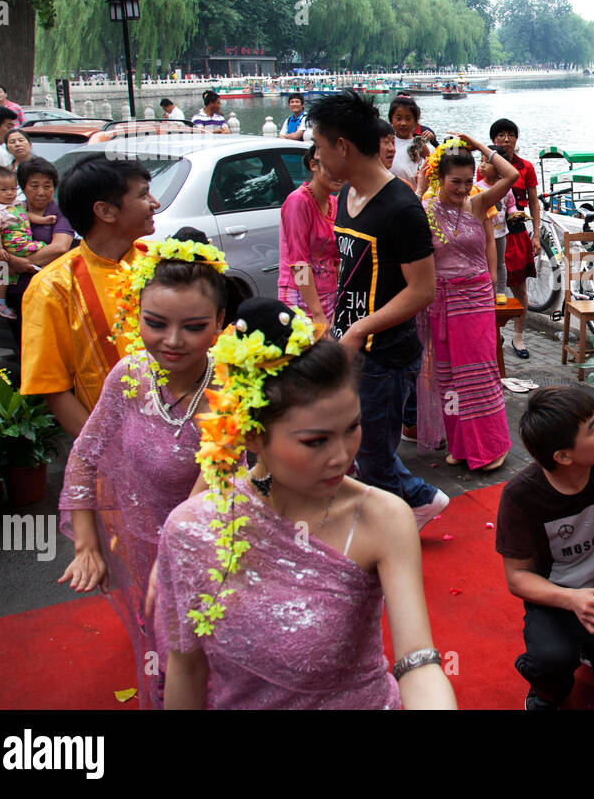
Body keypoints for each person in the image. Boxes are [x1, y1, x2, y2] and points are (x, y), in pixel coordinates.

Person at [156, 299, 457, 709]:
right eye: (315, 441)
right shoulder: (191, 529)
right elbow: (186, 667)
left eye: (351, 428)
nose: (342, 456)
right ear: (252, 435)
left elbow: (417, 661)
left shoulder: (383, 517)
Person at [58, 232, 228, 709]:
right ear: (137, 317)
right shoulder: (129, 375)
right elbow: (84, 455)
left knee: (209, 661)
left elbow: (223, 481)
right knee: (167, 656)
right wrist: (88, 545)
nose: (172, 341)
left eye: (193, 326)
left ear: (219, 323)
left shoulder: (238, 388)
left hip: (217, 551)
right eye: (155, 323)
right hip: (144, 548)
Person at [308, 90, 449, 529]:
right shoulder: (348, 192)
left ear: (343, 146)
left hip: (385, 353)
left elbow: (422, 290)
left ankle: (423, 502)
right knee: (356, 449)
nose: (316, 155)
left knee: (373, 457)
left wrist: (357, 330)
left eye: (319, 145)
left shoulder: (401, 207)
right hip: (353, 344)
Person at [496, 385, 594, 710]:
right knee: (551, 660)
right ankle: (547, 688)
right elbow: (517, 578)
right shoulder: (521, 496)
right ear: (563, 456)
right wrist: (572, 600)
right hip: (555, 601)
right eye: (592, 428)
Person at [21, 156, 160, 437]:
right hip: (118, 446)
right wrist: (104, 452)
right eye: (144, 195)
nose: (155, 203)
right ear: (105, 211)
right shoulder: (53, 286)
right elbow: (52, 387)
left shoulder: (163, 262)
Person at [416, 135, 518, 471]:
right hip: (442, 302)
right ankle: (460, 445)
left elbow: (511, 176)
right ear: (439, 179)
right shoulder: (426, 210)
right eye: (454, 182)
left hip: (475, 300)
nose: (461, 188)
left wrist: (478, 145)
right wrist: (419, 187)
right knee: (448, 377)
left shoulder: (476, 203)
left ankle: (490, 446)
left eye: (467, 181)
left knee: (481, 375)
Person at [2, 157, 74, 343]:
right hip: (16, 293)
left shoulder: (60, 212)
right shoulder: (11, 211)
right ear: (24, 187)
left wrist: (21, 263)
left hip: (49, 292)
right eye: (34, 186)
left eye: (47, 186)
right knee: (23, 345)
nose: (41, 192)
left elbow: (59, 248)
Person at [278, 145, 343, 327]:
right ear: (313, 165)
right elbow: (299, 263)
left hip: (329, 295)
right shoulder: (298, 202)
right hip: (300, 297)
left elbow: (336, 258)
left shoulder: (334, 203)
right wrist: (316, 313)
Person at [492, 118, 540, 358]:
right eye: (501, 135)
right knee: (490, 286)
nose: (506, 139)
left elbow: (534, 202)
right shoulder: (485, 166)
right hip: (491, 234)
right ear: (493, 140)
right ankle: (493, 333)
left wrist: (537, 234)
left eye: (511, 135)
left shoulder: (526, 167)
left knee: (519, 287)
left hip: (517, 233)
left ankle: (518, 337)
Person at [0, 166, 49, 319]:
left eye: (12, 189)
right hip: (14, 245)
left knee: (3, 272)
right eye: (3, 190)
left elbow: (26, 215)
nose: (9, 193)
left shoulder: (15, 205)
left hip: (16, 244)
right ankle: (38, 269)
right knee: (41, 248)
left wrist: (43, 220)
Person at [477, 148, 516, 306]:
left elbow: (511, 205)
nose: (482, 166)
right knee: (483, 264)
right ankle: (486, 291)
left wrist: (514, 214)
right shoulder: (477, 187)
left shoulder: (505, 187)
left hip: (499, 233)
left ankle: (500, 292)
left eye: (488, 162)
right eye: (481, 161)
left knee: (500, 263)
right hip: (482, 234)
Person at [385, 94, 437, 188]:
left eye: (408, 119)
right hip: (388, 191)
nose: (403, 123)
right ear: (391, 119)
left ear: (415, 121)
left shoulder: (419, 144)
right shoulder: (386, 142)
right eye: (398, 118)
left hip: (411, 192)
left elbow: (432, 167)